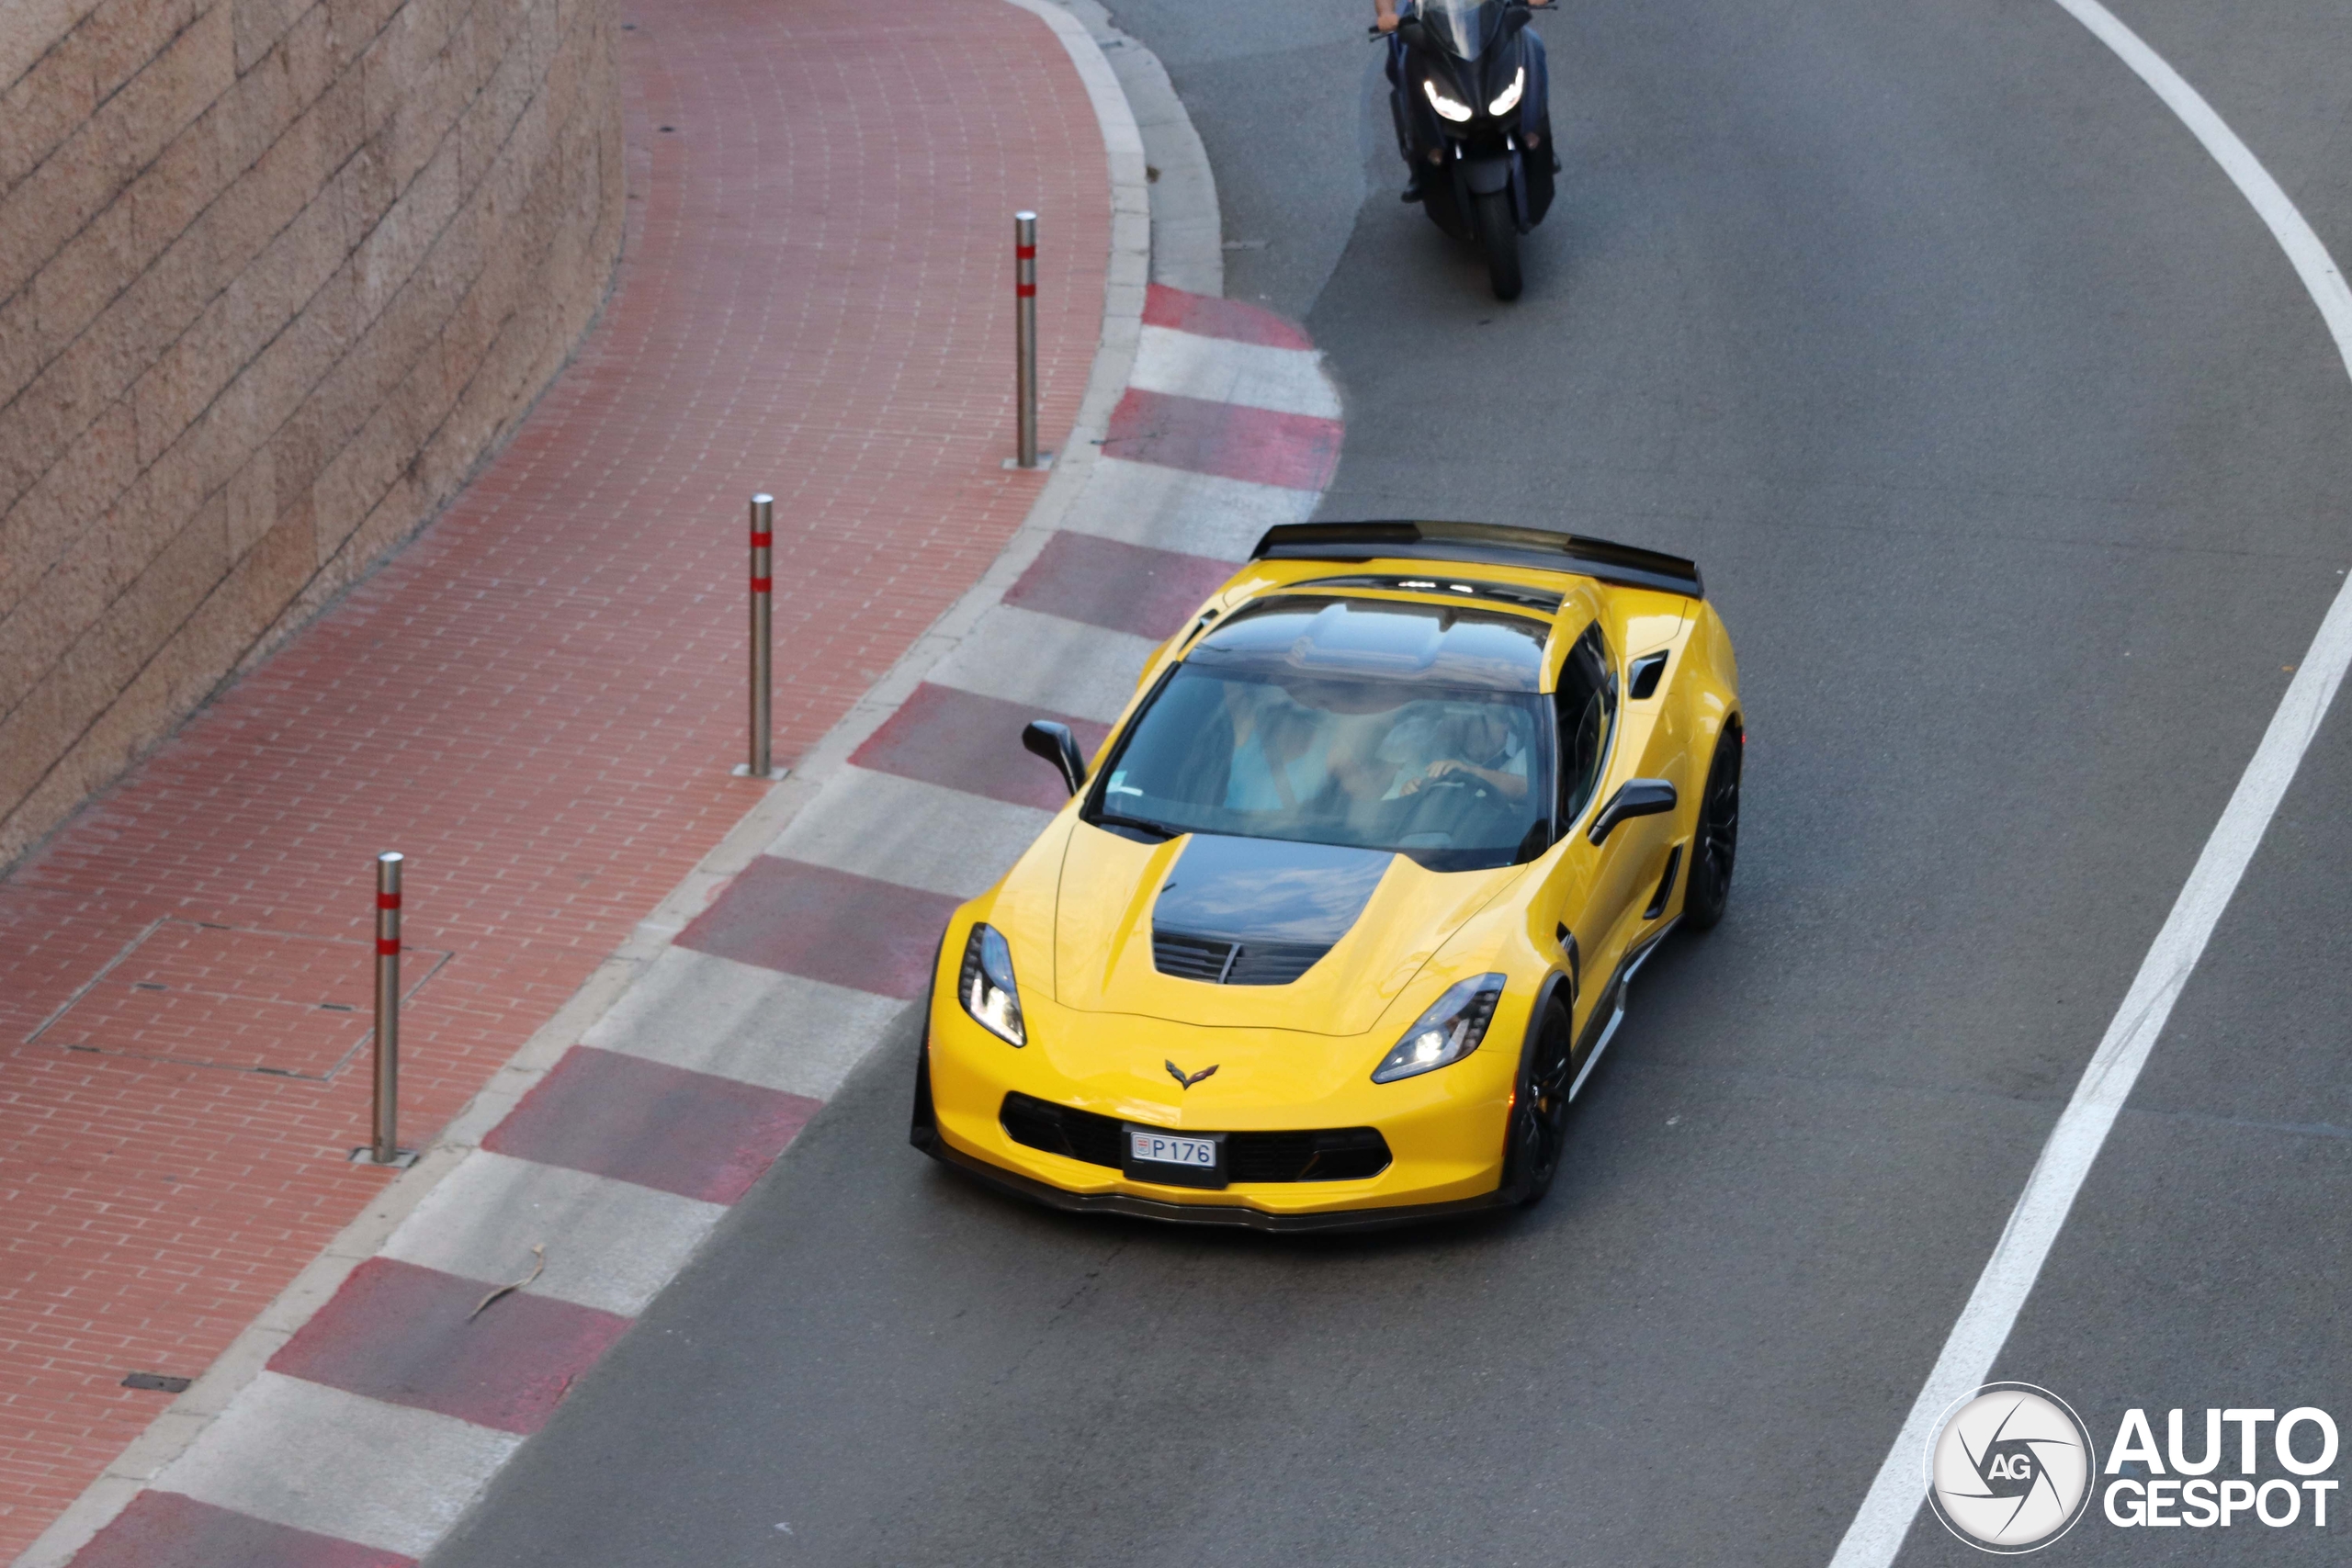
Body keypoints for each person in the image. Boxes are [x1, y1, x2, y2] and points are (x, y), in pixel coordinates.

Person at [1376, 0, 1554, 205]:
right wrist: (1386, 13)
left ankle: (1534, 127)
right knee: (1403, 63)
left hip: (1487, 8)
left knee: (1533, 44)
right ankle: (1420, 160)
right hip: (1427, 15)